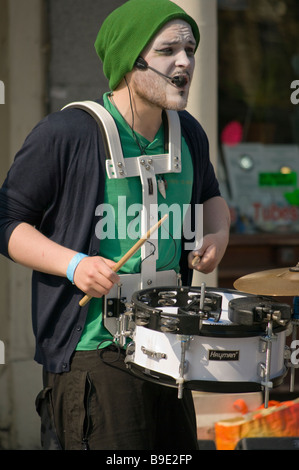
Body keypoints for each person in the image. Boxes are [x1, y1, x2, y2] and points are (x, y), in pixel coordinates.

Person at [0, 0, 230, 451]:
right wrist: (74, 265)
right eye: (169, 50)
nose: (185, 61)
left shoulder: (190, 134)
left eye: (190, 48)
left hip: (170, 345)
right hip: (93, 352)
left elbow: (211, 198)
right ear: (130, 62)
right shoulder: (66, 133)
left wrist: (216, 234)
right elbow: (7, 220)